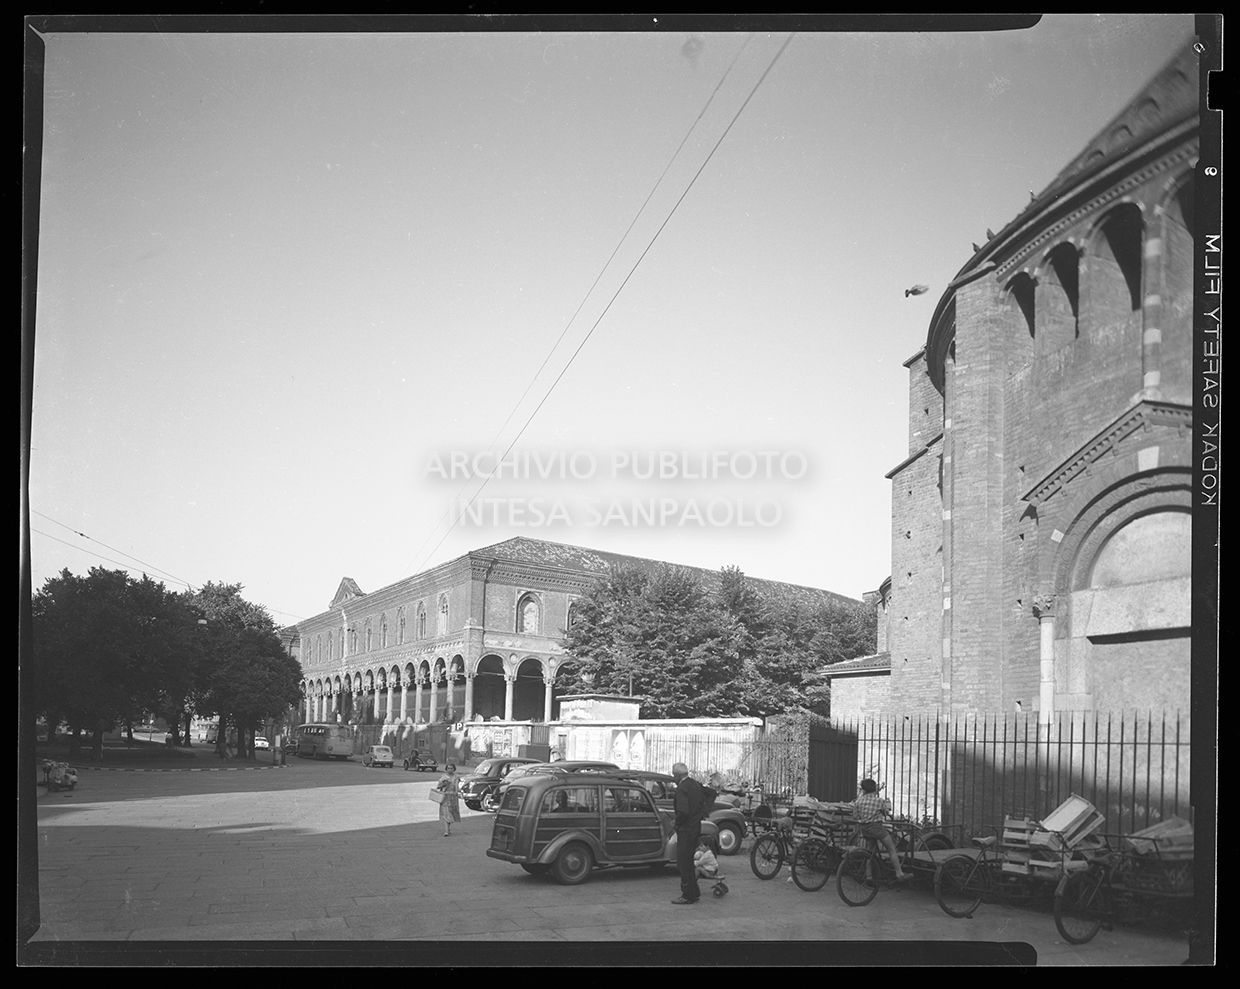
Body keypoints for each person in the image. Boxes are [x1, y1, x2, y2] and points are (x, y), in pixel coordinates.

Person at [847, 778, 911, 881]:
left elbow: (855, 816)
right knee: (891, 848)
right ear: (875, 789)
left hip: (864, 829)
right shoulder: (879, 801)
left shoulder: (858, 802)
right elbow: (886, 813)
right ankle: (899, 873)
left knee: (870, 852)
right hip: (876, 828)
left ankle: (869, 876)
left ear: (863, 790)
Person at [670, 762, 710, 904]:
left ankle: (688, 895)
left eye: (674, 775)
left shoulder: (682, 788)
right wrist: (702, 813)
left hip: (686, 829)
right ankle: (694, 891)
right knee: (689, 861)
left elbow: (683, 811)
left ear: (677, 775)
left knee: (683, 863)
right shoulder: (695, 784)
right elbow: (710, 794)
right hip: (695, 828)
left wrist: (676, 822)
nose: (673, 778)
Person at [436, 763, 462, 837]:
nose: (450, 770)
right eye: (448, 768)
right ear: (446, 769)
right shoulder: (443, 777)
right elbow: (438, 786)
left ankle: (448, 828)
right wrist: (444, 784)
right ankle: (446, 831)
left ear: (454, 769)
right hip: (445, 797)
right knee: (445, 813)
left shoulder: (456, 777)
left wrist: (458, 793)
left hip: (453, 797)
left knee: (451, 814)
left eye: (451, 768)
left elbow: (457, 787)